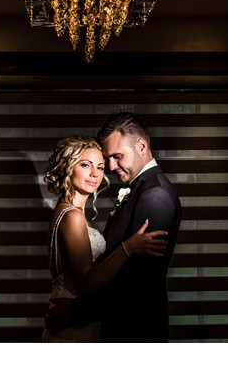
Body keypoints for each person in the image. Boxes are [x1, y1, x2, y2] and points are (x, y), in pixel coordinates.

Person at [47, 112, 182, 342]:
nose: (109, 167)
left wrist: (77, 310)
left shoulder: (155, 195)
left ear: (141, 146)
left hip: (136, 329)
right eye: (106, 160)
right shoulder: (74, 214)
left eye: (116, 157)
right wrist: (128, 247)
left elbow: (138, 280)